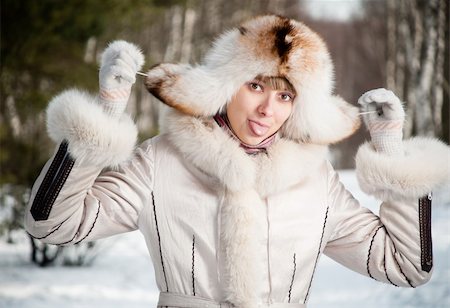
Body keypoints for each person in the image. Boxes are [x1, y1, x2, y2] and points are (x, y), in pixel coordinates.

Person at [25, 15, 449, 307]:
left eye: (285, 95)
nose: (268, 108)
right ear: (225, 86)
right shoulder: (162, 160)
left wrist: (391, 152)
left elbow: (406, 267)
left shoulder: (314, 179)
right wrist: (105, 113)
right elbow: (52, 223)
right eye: (255, 86)